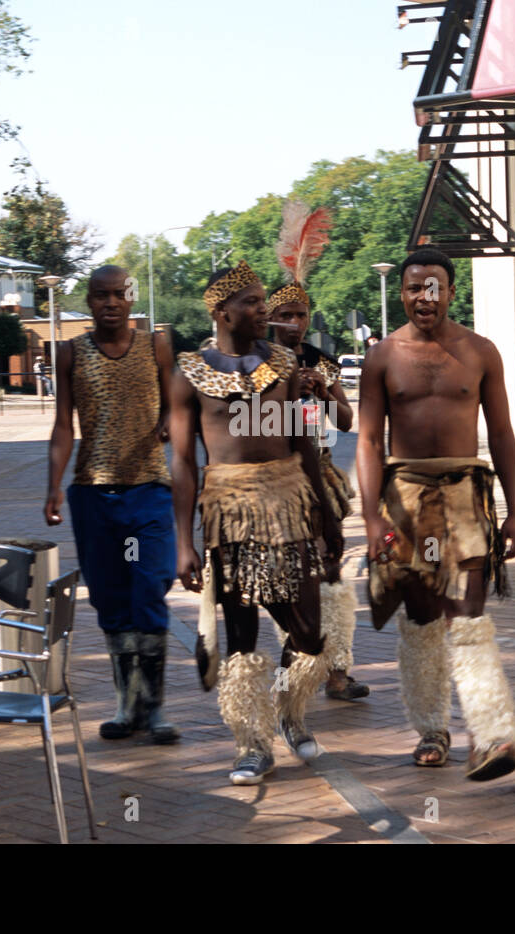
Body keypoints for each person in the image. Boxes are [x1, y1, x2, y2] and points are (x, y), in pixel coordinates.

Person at [171, 260, 344, 785]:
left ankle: (290, 712)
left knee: (311, 633)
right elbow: (181, 461)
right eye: (250, 301)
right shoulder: (189, 374)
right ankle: (252, 743)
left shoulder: (287, 365)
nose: (262, 309)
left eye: (262, 299)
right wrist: (184, 543)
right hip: (228, 510)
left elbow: (305, 445)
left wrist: (325, 515)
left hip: (289, 501)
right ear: (221, 311)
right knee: (242, 636)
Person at [356, 248, 515, 782]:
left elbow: (501, 433)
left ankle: (490, 732)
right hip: (405, 496)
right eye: (413, 288)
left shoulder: (480, 352)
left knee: (467, 614)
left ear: (451, 292)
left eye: (433, 287)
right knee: (424, 617)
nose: (423, 298)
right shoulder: (383, 357)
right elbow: (365, 439)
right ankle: (432, 727)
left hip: (465, 492)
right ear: (403, 293)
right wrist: (370, 517)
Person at [44, 265, 179, 744]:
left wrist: (168, 423)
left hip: (148, 490)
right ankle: (128, 705)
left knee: (149, 585)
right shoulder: (70, 353)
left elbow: (176, 404)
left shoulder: (156, 345)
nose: (110, 304)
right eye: (100, 296)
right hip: (94, 493)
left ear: (130, 297)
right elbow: (64, 425)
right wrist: (53, 485)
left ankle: (155, 706)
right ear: (88, 300)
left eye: (118, 295)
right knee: (110, 597)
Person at [265, 200, 368, 702]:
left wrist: (326, 395)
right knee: (287, 577)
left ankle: (337, 670)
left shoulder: (321, 361)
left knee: (330, 568)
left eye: (300, 314)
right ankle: (298, 662)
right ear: (268, 317)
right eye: (283, 314)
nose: (293, 322)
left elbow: (348, 422)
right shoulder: (256, 363)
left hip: (321, 475)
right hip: (274, 482)